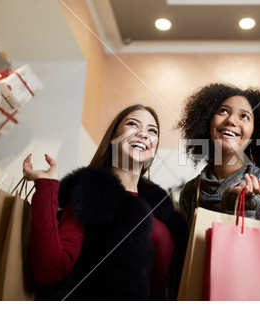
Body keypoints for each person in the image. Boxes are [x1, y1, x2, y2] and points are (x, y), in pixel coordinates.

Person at [23, 104, 187, 301]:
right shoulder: (91, 192)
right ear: (112, 138)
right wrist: (47, 185)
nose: (144, 134)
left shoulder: (163, 208)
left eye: (152, 131)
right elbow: (49, 270)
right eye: (133, 125)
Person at [177, 83, 260, 227]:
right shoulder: (190, 191)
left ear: (255, 133)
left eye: (244, 116)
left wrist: (245, 210)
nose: (231, 120)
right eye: (223, 111)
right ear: (207, 121)